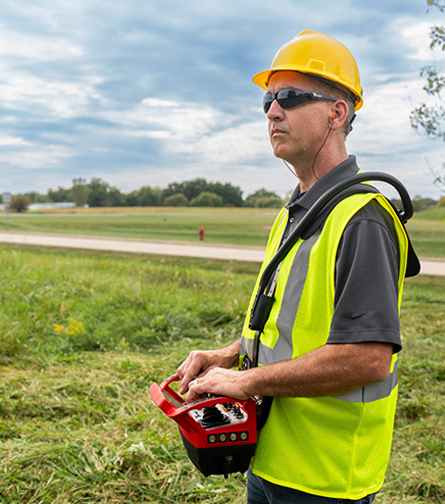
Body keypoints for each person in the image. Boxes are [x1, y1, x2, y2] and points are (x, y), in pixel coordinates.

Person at [174, 30, 411, 504]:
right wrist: (228, 355)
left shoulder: (361, 219)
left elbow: (368, 357)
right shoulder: (296, 211)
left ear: (337, 113)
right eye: (267, 100)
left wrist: (244, 382)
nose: (272, 111)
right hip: (271, 459)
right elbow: (291, 325)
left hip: (324, 479)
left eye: (290, 97)